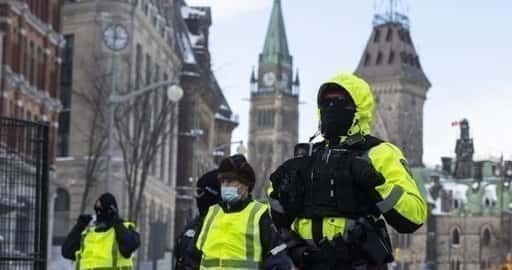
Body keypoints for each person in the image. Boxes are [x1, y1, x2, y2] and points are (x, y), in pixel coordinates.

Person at [268, 73, 428, 269]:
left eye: (340, 101)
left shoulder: (378, 153)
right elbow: (276, 221)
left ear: (358, 108)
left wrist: (376, 184)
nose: (332, 108)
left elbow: (414, 216)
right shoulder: (309, 157)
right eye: (327, 102)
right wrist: (277, 194)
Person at [195, 154, 292, 269]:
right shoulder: (212, 213)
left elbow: (278, 257)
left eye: (230, 181)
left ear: (246, 184)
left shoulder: (260, 214)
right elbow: (193, 255)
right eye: (222, 181)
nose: (225, 185)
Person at [62, 192, 140, 270]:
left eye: (103, 210)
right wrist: (79, 226)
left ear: (112, 211)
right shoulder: (87, 235)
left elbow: (129, 245)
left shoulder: (122, 230)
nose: (99, 214)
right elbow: (66, 251)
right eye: (97, 210)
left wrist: (116, 221)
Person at [174, 169, 221, 270]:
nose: (196, 196)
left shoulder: (221, 226)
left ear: (211, 195)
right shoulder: (194, 224)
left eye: (200, 192)